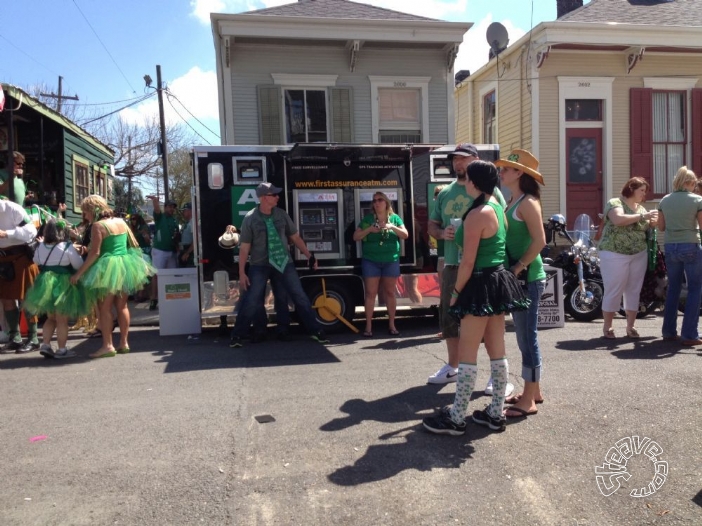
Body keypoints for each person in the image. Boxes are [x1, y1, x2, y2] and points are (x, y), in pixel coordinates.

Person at [422, 160, 529, 435]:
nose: (464, 182)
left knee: (467, 353)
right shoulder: (497, 207)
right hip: (498, 281)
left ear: (475, 182)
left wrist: (455, 294)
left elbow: (467, 262)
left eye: (467, 178)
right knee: (497, 349)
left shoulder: (477, 214)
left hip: (480, 282)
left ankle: (457, 417)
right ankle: (495, 412)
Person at [426, 143, 513, 398]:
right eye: (454, 160)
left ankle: (464, 404)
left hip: (480, 269)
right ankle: (454, 369)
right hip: (454, 264)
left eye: (463, 159)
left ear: (475, 161)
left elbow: (500, 227)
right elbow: (431, 226)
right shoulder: (445, 193)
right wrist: (442, 233)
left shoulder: (489, 194)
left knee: (486, 329)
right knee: (450, 321)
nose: (457, 164)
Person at [228, 182, 329, 347]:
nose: (277, 197)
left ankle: (314, 331)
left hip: (284, 262)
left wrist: (310, 256)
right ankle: (239, 335)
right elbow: (244, 247)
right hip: (259, 265)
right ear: (263, 198)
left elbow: (295, 237)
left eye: (276, 194)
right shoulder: (250, 218)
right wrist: (241, 272)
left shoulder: (281, 215)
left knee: (298, 296)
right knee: (253, 299)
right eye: (273, 195)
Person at [70, 195, 156, 358]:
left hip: (107, 268)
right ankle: (124, 343)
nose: (85, 216)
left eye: (85, 212)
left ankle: (107, 346)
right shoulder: (122, 222)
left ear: (92, 210)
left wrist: (79, 273)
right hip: (124, 265)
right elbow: (130, 245)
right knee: (122, 306)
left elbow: (95, 253)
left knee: (105, 308)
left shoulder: (98, 225)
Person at [496, 149, 547, 418]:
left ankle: (528, 400)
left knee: (527, 339)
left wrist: (517, 268)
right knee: (524, 337)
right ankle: (533, 391)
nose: (502, 172)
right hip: (520, 279)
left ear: (520, 173)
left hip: (527, 279)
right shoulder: (512, 200)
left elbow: (540, 242)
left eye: (507, 168)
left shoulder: (527, 202)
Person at [598, 177, 657, 339]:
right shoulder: (615, 202)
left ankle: (631, 326)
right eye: (641, 190)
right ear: (631, 189)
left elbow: (648, 228)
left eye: (645, 191)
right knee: (614, 288)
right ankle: (608, 327)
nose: (644, 194)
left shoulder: (642, 209)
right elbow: (618, 220)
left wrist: (652, 223)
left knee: (634, 290)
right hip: (614, 253)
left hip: (638, 253)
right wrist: (642, 217)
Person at [23, 218, 87, 359]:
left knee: (51, 318)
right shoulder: (67, 247)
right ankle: (62, 350)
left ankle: (45, 345)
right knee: (62, 319)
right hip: (63, 284)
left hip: (45, 285)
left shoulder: (41, 246)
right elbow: (78, 265)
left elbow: (36, 261)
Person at [219, 224, 291, 341]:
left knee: (274, 297)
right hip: (266, 265)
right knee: (272, 297)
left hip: (272, 262)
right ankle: (268, 330)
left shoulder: (248, 233)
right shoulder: (246, 236)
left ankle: (267, 330)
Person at [353, 191, 408, 336]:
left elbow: (405, 235)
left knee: (390, 293)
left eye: (380, 200)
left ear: (386, 203)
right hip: (371, 261)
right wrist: (370, 229)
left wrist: (392, 227)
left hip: (391, 260)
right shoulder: (368, 219)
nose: (376, 203)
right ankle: (368, 326)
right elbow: (356, 236)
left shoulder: (395, 218)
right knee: (371, 293)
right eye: (374, 201)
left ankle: (392, 324)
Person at [657, 166, 702, 345]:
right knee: (694, 289)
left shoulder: (664, 200)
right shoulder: (697, 200)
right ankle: (689, 335)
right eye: (694, 183)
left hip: (671, 246)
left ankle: (668, 331)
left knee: (673, 289)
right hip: (691, 244)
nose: (695, 187)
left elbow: (661, 227)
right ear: (689, 183)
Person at [0, 197, 40, 354]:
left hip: (21, 258)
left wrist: (6, 234)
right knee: (7, 299)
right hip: (3, 260)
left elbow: (31, 230)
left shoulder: (12, 209)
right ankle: (15, 338)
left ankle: (34, 338)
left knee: (27, 298)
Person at [148, 196, 179, 310]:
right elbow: (156, 210)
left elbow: (176, 235)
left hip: (171, 251)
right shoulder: (160, 217)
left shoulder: (174, 220)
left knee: (172, 275)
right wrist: (155, 201)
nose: (171, 209)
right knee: (156, 275)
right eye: (169, 207)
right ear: (165, 207)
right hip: (160, 250)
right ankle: (153, 299)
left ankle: (170, 297)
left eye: (173, 207)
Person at [128, 213, 153, 302]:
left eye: (134, 219)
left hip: (144, 252)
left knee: (143, 274)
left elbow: (147, 240)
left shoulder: (143, 227)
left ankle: (142, 294)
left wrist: (145, 235)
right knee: (136, 274)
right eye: (131, 219)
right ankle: (136, 293)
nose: (132, 220)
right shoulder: (132, 228)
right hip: (135, 253)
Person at [178, 202, 195, 268]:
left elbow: (195, 240)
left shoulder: (193, 222)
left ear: (190, 211)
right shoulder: (187, 223)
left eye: (185, 210)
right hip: (184, 250)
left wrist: (187, 253)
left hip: (190, 252)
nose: (183, 212)